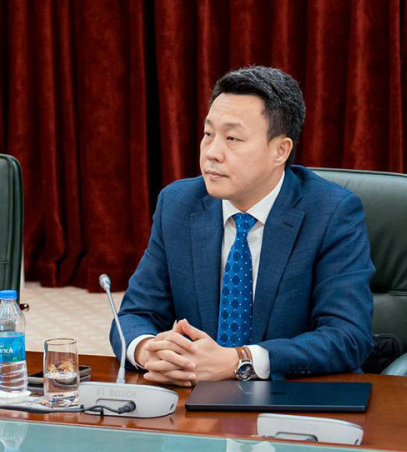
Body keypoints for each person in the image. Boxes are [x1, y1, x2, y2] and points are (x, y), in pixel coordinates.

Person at [111, 66, 374, 385]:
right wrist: (148, 350)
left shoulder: (331, 212)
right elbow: (135, 314)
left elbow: (348, 336)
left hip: (291, 399)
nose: (212, 153)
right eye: (208, 134)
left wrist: (240, 360)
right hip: (194, 396)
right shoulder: (179, 204)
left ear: (280, 151)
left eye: (232, 138)